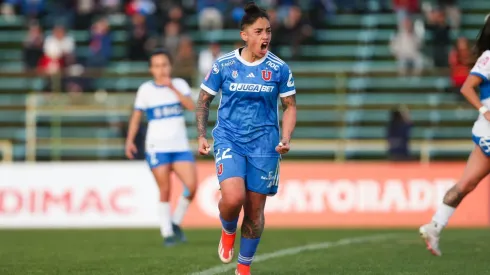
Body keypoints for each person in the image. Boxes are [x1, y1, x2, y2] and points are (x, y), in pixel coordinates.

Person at [195, 2, 297, 275]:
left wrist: (286, 137)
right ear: (244, 35)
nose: (265, 37)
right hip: (230, 139)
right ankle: (228, 229)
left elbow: (290, 106)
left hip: (265, 143)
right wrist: (202, 135)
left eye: (268, 31)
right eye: (259, 31)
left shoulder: (279, 68)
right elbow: (204, 99)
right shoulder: (224, 65)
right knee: (232, 198)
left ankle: (243, 268)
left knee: (254, 212)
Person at [419, 16, 490, 256]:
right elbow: (466, 86)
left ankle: (435, 226)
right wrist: (484, 110)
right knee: (465, 184)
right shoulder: (488, 57)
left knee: (466, 184)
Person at [125, 49, 197, 247]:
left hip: (180, 145)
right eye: (157, 66)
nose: (161, 69)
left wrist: (172, 88)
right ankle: (167, 233)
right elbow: (136, 117)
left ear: (170, 66)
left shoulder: (180, 84)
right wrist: (129, 140)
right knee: (165, 189)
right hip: (157, 147)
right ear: (151, 69)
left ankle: (174, 223)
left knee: (191, 187)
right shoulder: (145, 90)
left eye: (164, 65)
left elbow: (192, 106)